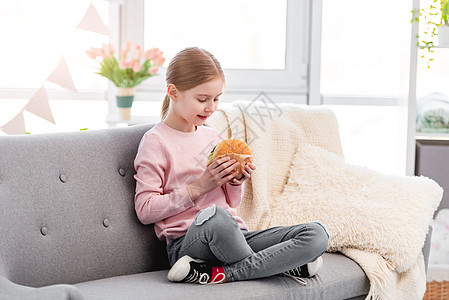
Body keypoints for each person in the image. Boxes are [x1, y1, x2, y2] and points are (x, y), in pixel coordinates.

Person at [133, 47, 329, 285]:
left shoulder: (212, 136)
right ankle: (280, 266)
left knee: (316, 234)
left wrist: (235, 182)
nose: (211, 107)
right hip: (189, 242)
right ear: (174, 92)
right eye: (202, 99)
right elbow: (145, 210)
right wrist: (199, 187)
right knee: (217, 217)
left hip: (237, 236)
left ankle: (223, 273)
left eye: (216, 99)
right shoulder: (156, 141)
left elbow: (232, 202)